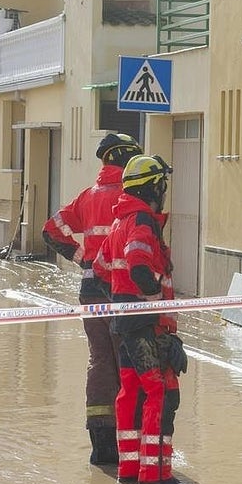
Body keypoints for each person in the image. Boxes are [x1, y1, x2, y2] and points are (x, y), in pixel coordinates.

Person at [42, 132, 142, 466]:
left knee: (100, 360)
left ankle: (101, 445)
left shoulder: (87, 196)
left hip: (90, 290)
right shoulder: (132, 197)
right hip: (122, 290)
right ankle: (130, 443)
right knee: (127, 362)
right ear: (126, 160)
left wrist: (78, 254)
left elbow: (50, 229)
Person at [103, 154, 193, 484]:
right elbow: (138, 265)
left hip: (124, 321)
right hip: (145, 322)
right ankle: (155, 475)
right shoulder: (141, 220)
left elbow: (100, 267)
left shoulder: (119, 220)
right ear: (155, 186)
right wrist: (155, 304)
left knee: (130, 392)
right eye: (163, 184)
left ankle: (130, 467)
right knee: (162, 393)